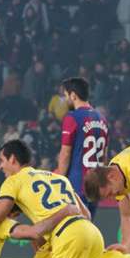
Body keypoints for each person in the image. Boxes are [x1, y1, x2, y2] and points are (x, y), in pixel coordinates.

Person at [54, 77, 109, 218]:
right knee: (88, 228)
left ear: (73, 95)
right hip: (95, 185)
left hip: (77, 185)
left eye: (65, 95)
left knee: (74, 229)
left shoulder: (72, 117)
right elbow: (104, 156)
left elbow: (65, 153)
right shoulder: (102, 119)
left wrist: (59, 179)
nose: (65, 99)